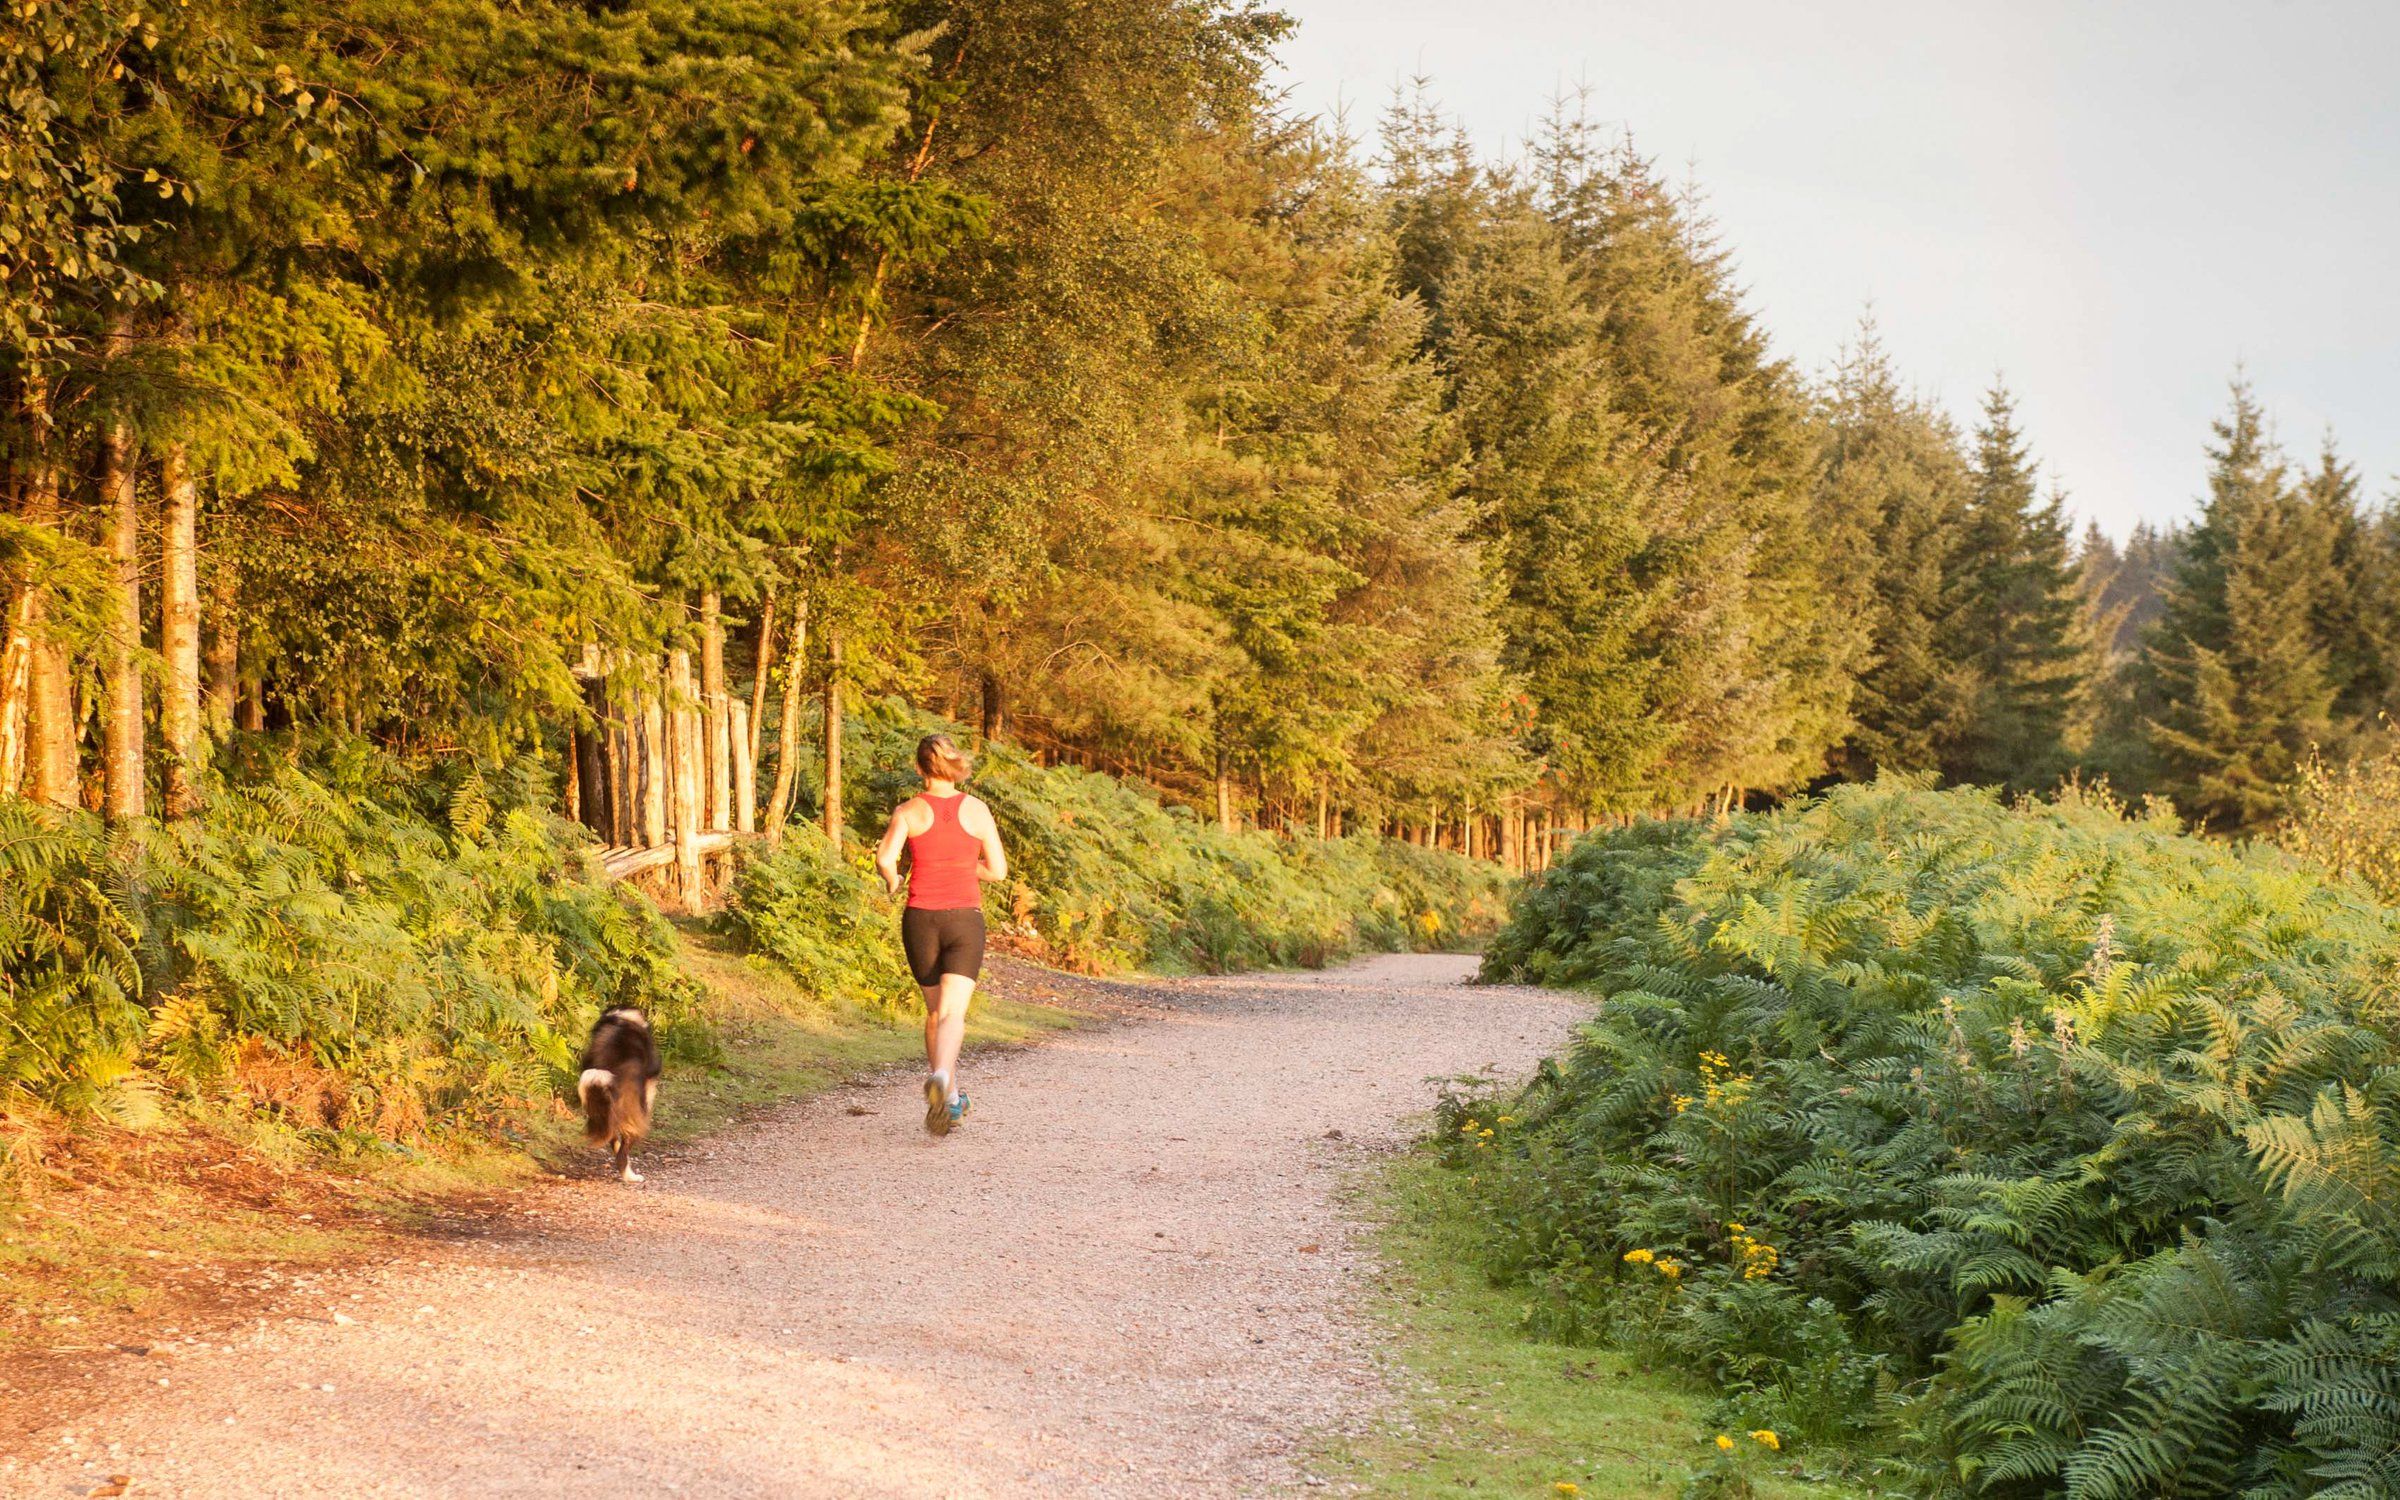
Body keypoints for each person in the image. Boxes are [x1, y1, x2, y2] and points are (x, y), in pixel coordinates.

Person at [874, 733, 1007, 1136]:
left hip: (920, 920)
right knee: (953, 1013)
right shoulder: (978, 810)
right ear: (956, 767)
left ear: (919, 769)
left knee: (934, 1012)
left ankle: (947, 1096)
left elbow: (885, 858)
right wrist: (969, 870)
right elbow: (997, 871)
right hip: (964, 919)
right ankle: (945, 1083)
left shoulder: (909, 811)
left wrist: (893, 879)